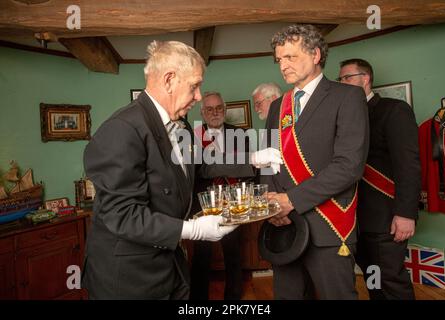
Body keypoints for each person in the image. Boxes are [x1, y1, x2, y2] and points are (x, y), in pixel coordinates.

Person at [81, 40, 240, 299]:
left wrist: (253, 157)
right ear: (169, 80)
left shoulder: (182, 127)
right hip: (129, 276)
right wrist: (194, 229)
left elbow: (202, 168)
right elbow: (123, 215)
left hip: (169, 264)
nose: (199, 96)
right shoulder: (122, 129)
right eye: (195, 86)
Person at [261, 24, 369, 299]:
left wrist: (291, 200)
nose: (283, 65)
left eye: (291, 57)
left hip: (328, 226)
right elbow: (268, 160)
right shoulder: (278, 106)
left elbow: (349, 166)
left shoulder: (348, 97)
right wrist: (272, 205)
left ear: (316, 54)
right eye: (279, 59)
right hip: (284, 225)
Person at [338, 58, 421, 300]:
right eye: (339, 79)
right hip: (355, 218)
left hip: (386, 216)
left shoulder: (393, 110)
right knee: (373, 278)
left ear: (366, 79)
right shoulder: (345, 116)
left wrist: (406, 214)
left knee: (391, 282)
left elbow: (408, 166)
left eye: (347, 78)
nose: (341, 83)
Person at [190, 91, 255, 300]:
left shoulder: (241, 134)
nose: (214, 112)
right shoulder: (192, 136)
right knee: (201, 255)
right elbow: (196, 171)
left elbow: (247, 169)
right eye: (209, 109)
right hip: (203, 204)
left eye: (218, 108)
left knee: (233, 254)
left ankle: (233, 299)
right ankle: (198, 301)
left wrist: (217, 166)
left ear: (224, 111)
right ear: (202, 112)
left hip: (232, 202)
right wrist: (229, 165)